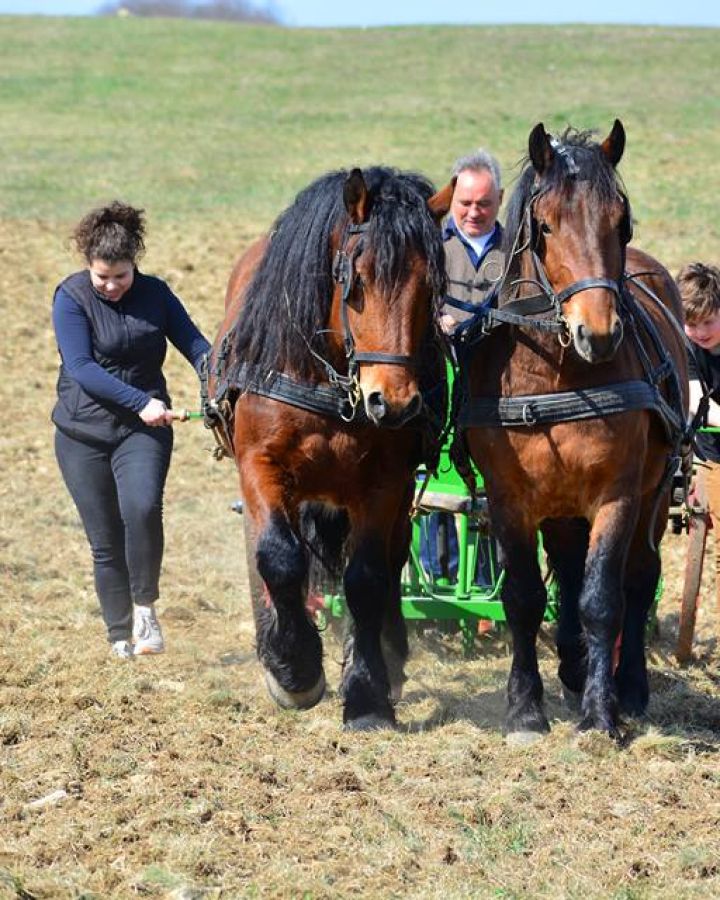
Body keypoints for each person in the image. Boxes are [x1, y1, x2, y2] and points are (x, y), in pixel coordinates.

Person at [52, 201, 211, 659]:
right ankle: (118, 634)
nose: (111, 285)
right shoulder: (71, 297)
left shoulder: (156, 295)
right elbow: (81, 367)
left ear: (133, 265)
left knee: (141, 510)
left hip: (142, 434)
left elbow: (196, 345)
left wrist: (215, 376)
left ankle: (146, 612)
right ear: (89, 267)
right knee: (104, 539)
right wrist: (141, 402)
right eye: (102, 276)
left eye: (120, 276)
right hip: (82, 434)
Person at [420, 150, 505, 584]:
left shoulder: (517, 252)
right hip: (442, 375)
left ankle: (491, 578)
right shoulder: (429, 246)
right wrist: (436, 320)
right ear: (451, 198)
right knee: (439, 468)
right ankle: (439, 575)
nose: (474, 212)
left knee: (496, 478)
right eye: (465, 203)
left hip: (497, 385)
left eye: (484, 204)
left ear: (500, 200)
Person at [678, 262, 720, 610]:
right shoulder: (687, 348)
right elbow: (695, 401)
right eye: (692, 324)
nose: (701, 331)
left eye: (708, 321)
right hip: (714, 455)